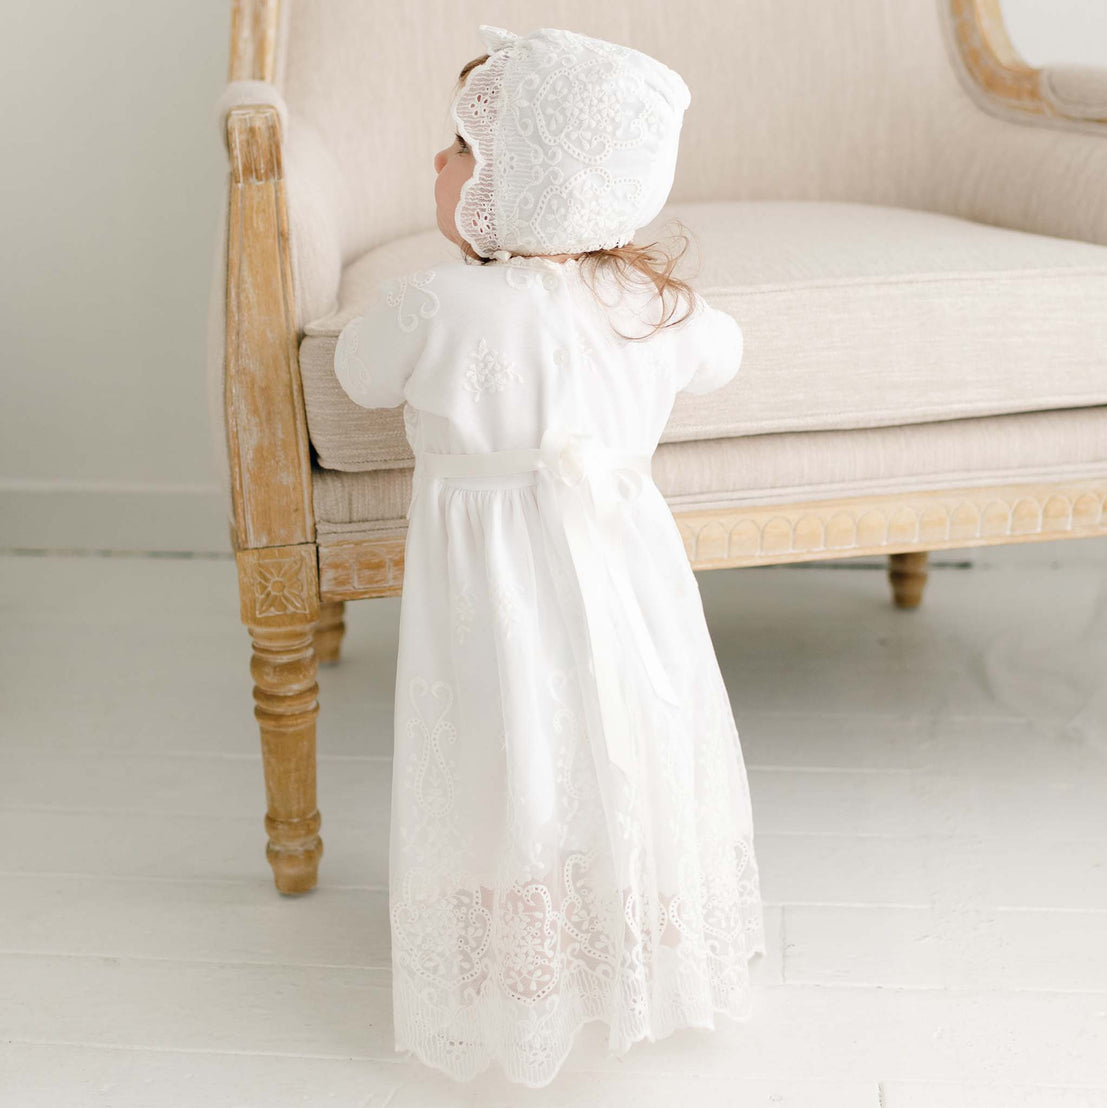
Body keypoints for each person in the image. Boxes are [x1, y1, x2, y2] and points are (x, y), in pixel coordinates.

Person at [333, 24, 766, 1089]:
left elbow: (353, 371)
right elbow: (724, 351)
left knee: (511, 743)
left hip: (491, 587)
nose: (438, 164)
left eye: (461, 149)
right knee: (623, 731)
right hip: (625, 565)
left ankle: (519, 966)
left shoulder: (436, 306)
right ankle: (634, 935)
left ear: (524, 185)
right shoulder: (642, 306)